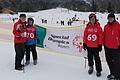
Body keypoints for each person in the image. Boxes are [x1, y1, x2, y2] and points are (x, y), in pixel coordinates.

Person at [104, 13, 120, 80]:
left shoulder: (118, 26)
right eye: (109, 18)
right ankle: (112, 73)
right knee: (109, 61)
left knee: (117, 62)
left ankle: (117, 75)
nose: (110, 19)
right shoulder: (105, 26)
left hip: (116, 48)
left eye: (111, 18)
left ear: (114, 18)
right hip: (107, 47)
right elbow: (104, 36)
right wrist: (103, 44)